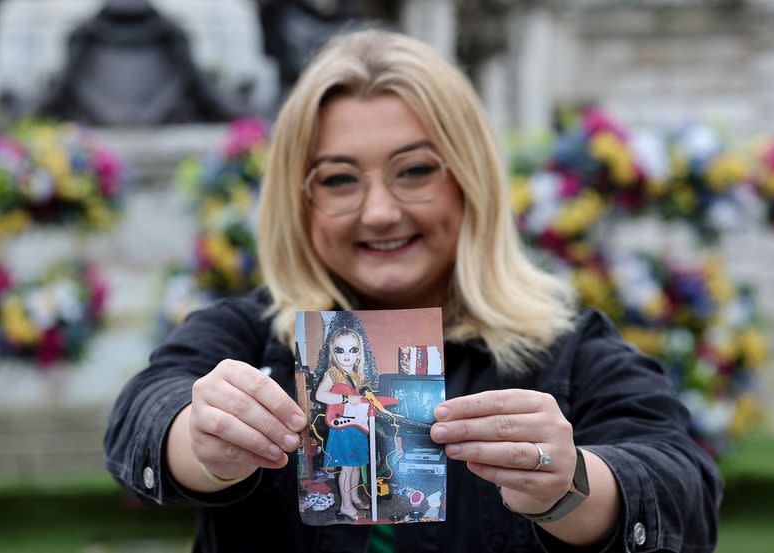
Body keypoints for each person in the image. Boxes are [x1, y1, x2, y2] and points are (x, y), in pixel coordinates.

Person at [104, 28, 722, 552]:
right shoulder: (249, 337)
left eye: (416, 171)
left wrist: (572, 485)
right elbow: (141, 420)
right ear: (301, 203)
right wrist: (205, 438)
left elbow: (683, 493)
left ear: (469, 182)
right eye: (340, 179)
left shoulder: (568, 352)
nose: (379, 212)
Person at [313, 322, 378, 520]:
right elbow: (320, 395)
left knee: (357, 464)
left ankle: (354, 496)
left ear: (359, 353)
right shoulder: (334, 373)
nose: (346, 355)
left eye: (352, 349)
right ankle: (346, 506)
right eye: (340, 350)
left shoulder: (358, 377)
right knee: (347, 468)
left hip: (356, 426)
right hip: (342, 428)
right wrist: (346, 399)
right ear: (334, 353)